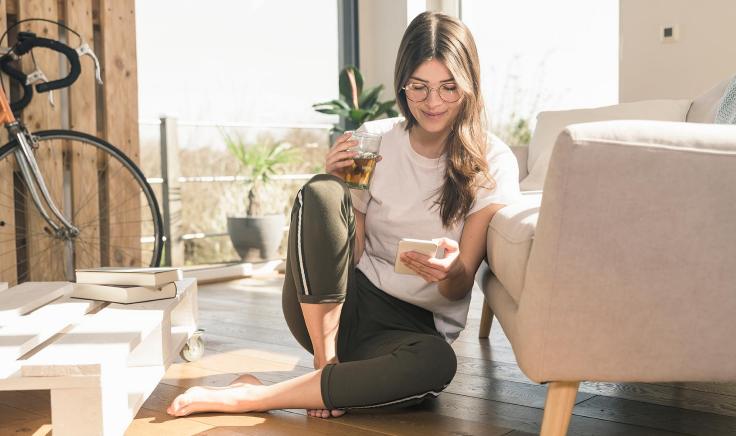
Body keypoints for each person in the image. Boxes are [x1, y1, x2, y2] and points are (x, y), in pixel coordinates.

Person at [167, 11, 520, 419]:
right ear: (402, 83)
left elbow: (459, 289)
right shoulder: (374, 139)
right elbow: (348, 256)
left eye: (448, 88)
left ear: (470, 86)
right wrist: (340, 188)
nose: (433, 102)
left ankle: (255, 396)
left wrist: (451, 269)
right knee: (320, 189)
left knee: (437, 364)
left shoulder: (492, 161)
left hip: (414, 330)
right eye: (419, 88)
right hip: (334, 307)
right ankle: (326, 367)